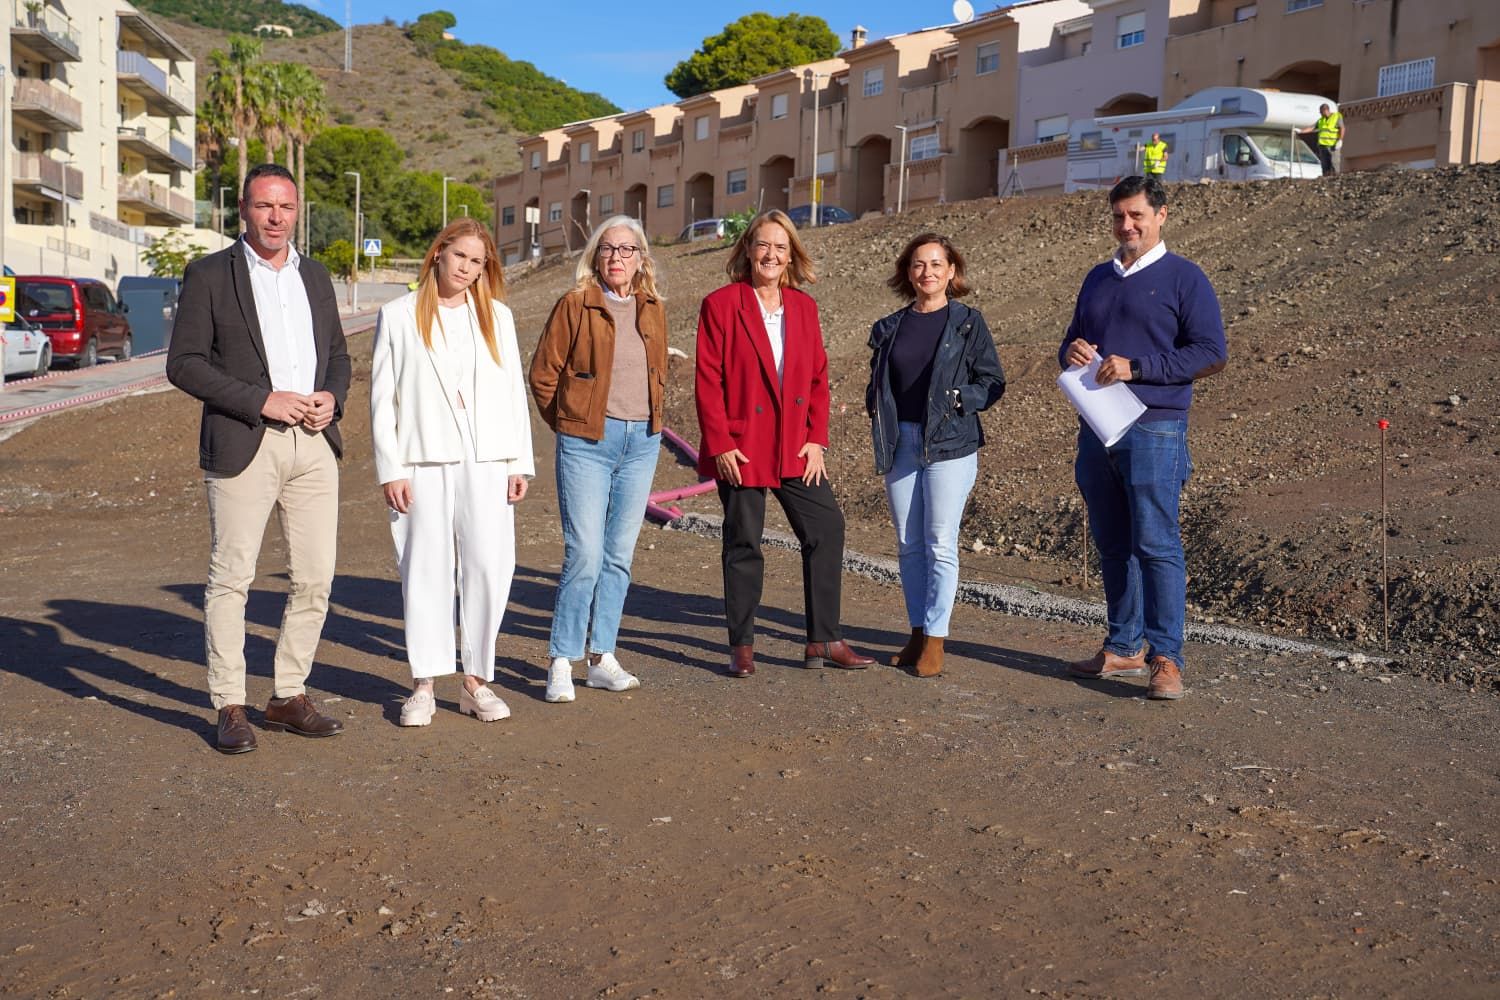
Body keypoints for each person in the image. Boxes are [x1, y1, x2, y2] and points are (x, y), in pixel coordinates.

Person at [167, 163, 350, 753]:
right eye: (265, 206)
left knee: (316, 577)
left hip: (315, 446)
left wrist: (332, 399)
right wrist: (261, 400)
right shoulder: (209, 274)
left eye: (287, 207)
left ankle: (287, 696)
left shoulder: (317, 277)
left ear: (298, 212)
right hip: (245, 440)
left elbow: (340, 357)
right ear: (243, 210)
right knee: (232, 580)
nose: (276, 217)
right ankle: (230, 704)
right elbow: (184, 363)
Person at [1059, 175, 1227, 700]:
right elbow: (1069, 340)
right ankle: (1124, 645)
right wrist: (1074, 351)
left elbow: (1210, 352)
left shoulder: (1185, 278)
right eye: (1118, 216)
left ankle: (1166, 658)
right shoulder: (1097, 278)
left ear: (1161, 215)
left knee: (1156, 543)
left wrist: (1139, 368)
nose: (1126, 225)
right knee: (1112, 543)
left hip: (1156, 426)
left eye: (1136, 215)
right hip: (1098, 426)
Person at [695, 209, 874, 678]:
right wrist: (721, 445)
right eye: (763, 245)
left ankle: (823, 639)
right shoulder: (720, 304)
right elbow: (707, 381)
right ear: (748, 250)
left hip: (795, 445)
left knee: (826, 528)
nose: (771, 254)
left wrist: (818, 439)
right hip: (742, 444)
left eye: (781, 247)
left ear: (791, 255)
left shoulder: (804, 307)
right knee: (743, 543)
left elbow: (818, 377)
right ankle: (743, 646)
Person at [369, 219, 534, 727]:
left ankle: (476, 681)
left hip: (487, 457)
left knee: (489, 564)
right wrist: (390, 468)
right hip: (422, 459)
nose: (467, 268)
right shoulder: (397, 315)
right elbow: (382, 399)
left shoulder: (498, 318)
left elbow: (513, 393)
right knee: (424, 567)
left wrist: (518, 461)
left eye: (478, 261)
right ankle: (423, 684)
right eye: (460, 256)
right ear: (438, 253)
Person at [528, 216, 666, 703]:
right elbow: (544, 374)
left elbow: (657, 372)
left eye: (627, 250)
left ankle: (602, 656)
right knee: (583, 554)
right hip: (587, 442)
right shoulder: (575, 303)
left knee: (619, 556)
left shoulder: (652, 308)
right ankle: (562, 659)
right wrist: (571, 422)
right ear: (596, 255)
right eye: (608, 249)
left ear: (641, 258)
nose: (617, 258)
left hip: (642, 443)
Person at [866, 234, 1005, 678]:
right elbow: (879, 383)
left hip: (949, 444)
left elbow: (992, 380)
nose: (927, 272)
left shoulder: (968, 322)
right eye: (918, 265)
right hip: (901, 443)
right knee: (908, 545)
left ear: (951, 272)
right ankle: (917, 632)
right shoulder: (889, 327)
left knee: (940, 543)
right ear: (908, 273)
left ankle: (937, 640)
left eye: (936, 264)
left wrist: (960, 400)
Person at [1298, 103, 1344, 176]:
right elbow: (1312, 128)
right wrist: (1301, 131)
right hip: (1322, 146)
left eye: (1321, 112)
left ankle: (1335, 179)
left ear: (1325, 110)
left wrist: (1340, 140)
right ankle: (1325, 179)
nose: (1320, 114)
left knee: (1334, 164)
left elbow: (1342, 128)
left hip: (1333, 145)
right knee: (1325, 165)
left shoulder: (1336, 117)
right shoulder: (1321, 120)